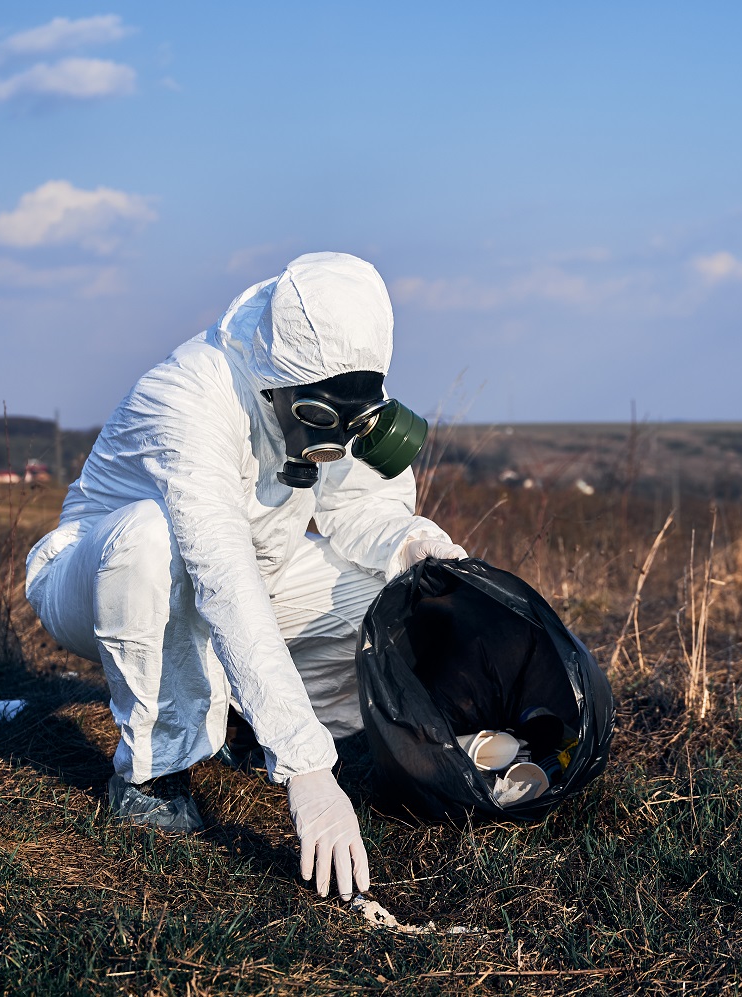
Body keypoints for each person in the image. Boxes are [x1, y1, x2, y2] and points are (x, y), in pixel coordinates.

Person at [25, 252, 466, 900]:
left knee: (386, 597)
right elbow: (221, 576)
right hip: (99, 575)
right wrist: (308, 771)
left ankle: (245, 722)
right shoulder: (191, 395)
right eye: (317, 417)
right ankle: (153, 770)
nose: (332, 438)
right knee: (152, 538)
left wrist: (414, 542)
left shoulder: (338, 389)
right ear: (278, 385)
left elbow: (360, 506)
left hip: (246, 573)